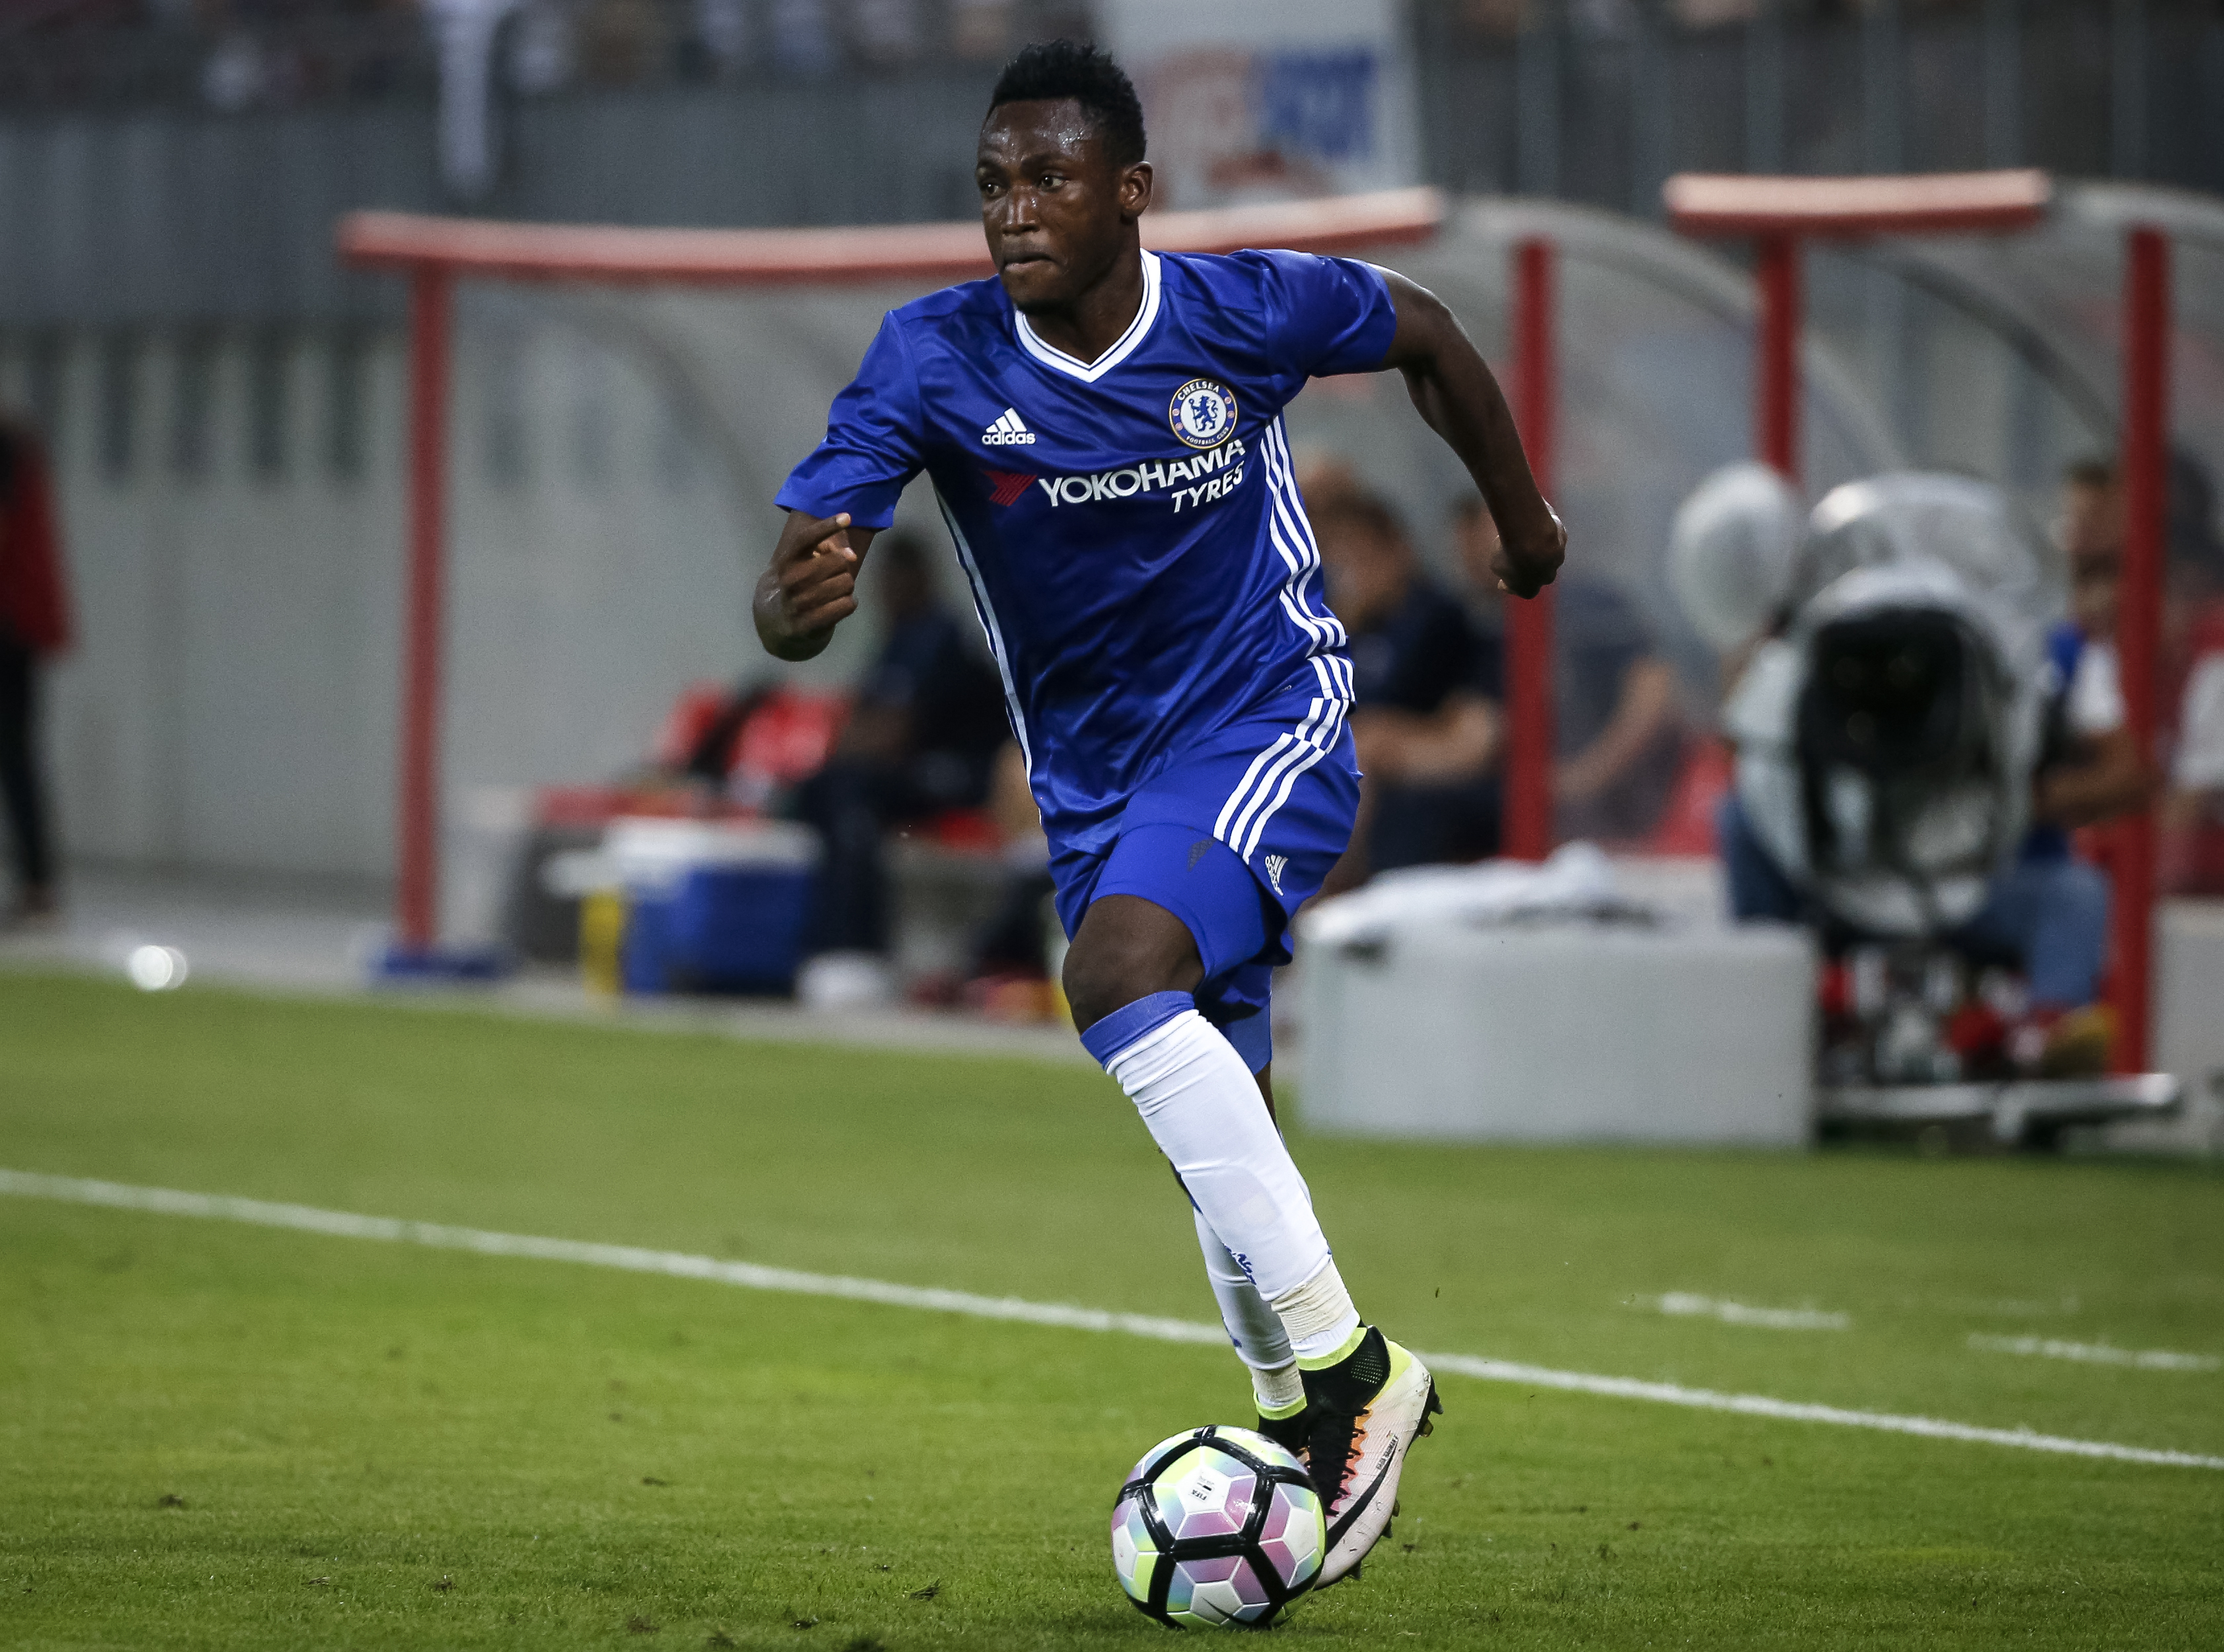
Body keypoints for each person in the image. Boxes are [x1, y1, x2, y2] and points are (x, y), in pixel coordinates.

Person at [754, 40, 1563, 1587]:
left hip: (1272, 719)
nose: (1015, 210)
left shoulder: (1239, 314)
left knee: (1118, 980)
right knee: (1219, 1125)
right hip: (1099, 785)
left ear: (1133, 192)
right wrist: (797, 603)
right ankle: (1289, 1422)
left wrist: (1522, 528)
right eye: (994, 183)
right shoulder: (933, 360)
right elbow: (803, 570)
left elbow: (1432, 335)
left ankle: (1351, 1379)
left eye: (1050, 177)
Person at [789, 530, 1009, 972]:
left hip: (960, 775)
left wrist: (855, 744)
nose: (885, 590)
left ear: (919, 578)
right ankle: (812, 943)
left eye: (894, 578)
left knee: (851, 796)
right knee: (816, 791)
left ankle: (856, 950)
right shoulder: (894, 638)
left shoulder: (937, 635)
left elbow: (892, 733)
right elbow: (857, 723)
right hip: (906, 773)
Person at [1455, 496, 1682, 844]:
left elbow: (1654, 691)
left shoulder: (1586, 604)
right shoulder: (1484, 628)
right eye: (1466, 542)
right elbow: (1477, 727)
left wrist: (1586, 775)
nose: (1474, 553)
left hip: (1623, 813)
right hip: (1531, 814)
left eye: (1486, 533)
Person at [1315, 490, 1501, 887]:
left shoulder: (1435, 617)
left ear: (1396, 550)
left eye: (1361, 556)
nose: (1350, 572)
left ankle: (1317, 890)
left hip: (1430, 755)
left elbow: (1396, 702)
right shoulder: (1346, 624)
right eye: (1339, 559)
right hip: (1383, 751)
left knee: (1362, 743)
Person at [0, 415, 70, 927]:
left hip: (9, 627)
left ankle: (39, 883)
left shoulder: (8, 448)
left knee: (16, 758)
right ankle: (38, 881)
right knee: (18, 758)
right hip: (19, 626)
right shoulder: (18, 445)